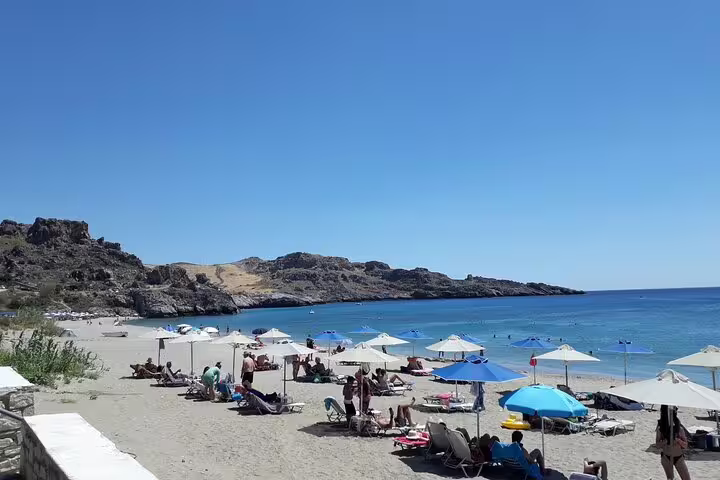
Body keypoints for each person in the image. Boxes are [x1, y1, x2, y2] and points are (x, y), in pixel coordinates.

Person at [656, 405, 691, 480]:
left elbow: (685, 445)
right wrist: (665, 441)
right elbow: (657, 445)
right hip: (666, 457)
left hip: (679, 457)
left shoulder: (679, 429)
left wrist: (678, 440)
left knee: (686, 478)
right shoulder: (660, 429)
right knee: (670, 478)